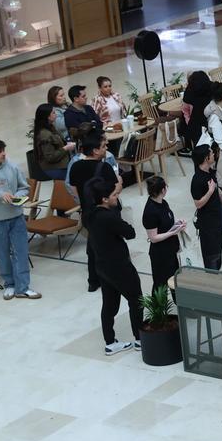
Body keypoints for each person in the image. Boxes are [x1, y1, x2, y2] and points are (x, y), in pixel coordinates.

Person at [87, 177, 142, 356]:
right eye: (114, 195)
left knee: (109, 305)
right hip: (119, 266)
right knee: (136, 300)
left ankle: (110, 342)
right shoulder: (109, 217)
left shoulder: (89, 215)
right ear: (104, 199)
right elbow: (130, 233)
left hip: (101, 266)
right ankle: (140, 338)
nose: (117, 198)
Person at [0, 139, 37, 300]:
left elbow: (24, 187)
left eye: (4, 150)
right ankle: (9, 284)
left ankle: (23, 287)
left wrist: (17, 196)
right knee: (2, 254)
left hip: (16, 217)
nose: (4, 153)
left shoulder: (11, 166)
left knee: (21, 252)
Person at [68, 131, 121, 292]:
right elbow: (115, 189)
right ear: (95, 150)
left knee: (93, 246)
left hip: (88, 212)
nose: (106, 148)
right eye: (103, 146)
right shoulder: (104, 167)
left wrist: (84, 203)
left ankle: (93, 280)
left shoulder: (75, 166)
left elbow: (73, 188)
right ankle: (113, 277)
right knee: (112, 245)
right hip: (106, 212)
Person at [191, 145, 222, 270]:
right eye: (211, 153)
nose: (214, 155)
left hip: (216, 219)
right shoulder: (197, 180)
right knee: (211, 254)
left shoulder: (210, 172)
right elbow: (198, 203)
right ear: (206, 158)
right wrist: (210, 191)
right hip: (207, 224)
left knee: (218, 249)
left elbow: (219, 192)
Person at [142, 176, 184, 293]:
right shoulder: (150, 212)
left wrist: (177, 224)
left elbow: (166, 223)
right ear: (163, 190)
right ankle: (159, 310)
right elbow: (153, 238)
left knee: (175, 280)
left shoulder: (163, 203)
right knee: (161, 285)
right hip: (160, 254)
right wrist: (172, 233)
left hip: (171, 249)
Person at [33, 103, 74, 180]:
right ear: (48, 117)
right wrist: (66, 148)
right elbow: (50, 157)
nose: (56, 114)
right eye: (53, 113)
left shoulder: (51, 127)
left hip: (61, 163)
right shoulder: (45, 135)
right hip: (55, 167)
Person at [181, 70, 215, 152]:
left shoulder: (190, 92)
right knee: (212, 147)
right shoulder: (211, 88)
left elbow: (185, 110)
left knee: (200, 150)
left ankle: (190, 148)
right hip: (211, 122)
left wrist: (189, 121)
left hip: (196, 125)